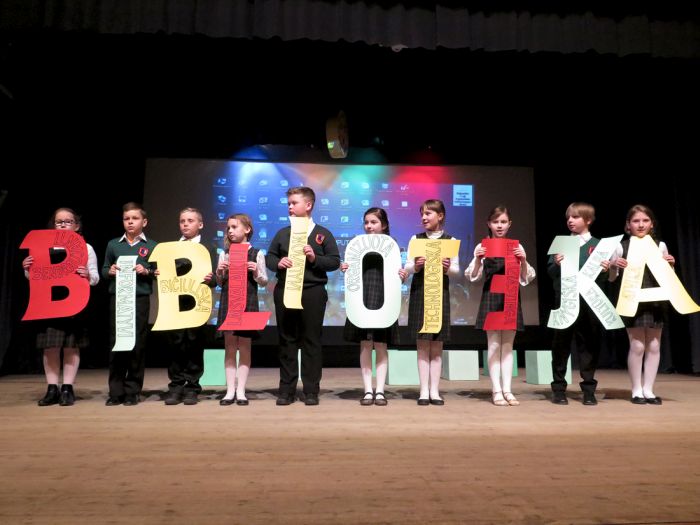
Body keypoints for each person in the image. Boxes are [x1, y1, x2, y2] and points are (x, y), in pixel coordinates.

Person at [266, 186, 340, 406]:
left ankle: (310, 390)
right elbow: (269, 257)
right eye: (288, 203)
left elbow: (334, 261)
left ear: (308, 205)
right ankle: (286, 390)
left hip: (313, 292)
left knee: (311, 341)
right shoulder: (283, 233)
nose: (289, 207)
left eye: (294, 203)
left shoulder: (322, 234)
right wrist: (278, 262)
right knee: (287, 340)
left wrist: (315, 258)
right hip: (286, 290)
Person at [22, 208, 100, 406]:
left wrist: (87, 275)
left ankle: (67, 388)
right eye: (59, 222)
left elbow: (95, 278)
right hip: (49, 303)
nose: (63, 224)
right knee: (50, 347)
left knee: (71, 346)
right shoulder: (44, 247)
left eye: (68, 221)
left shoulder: (86, 248)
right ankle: (52, 389)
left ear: (77, 226)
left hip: (74, 304)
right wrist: (27, 268)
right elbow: (33, 278)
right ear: (53, 225)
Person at [465, 205, 536, 406]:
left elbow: (527, 277)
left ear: (509, 224)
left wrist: (523, 260)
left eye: (503, 222)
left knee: (507, 346)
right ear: (489, 224)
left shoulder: (516, 246)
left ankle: (508, 390)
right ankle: (496, 390)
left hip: (510, 297)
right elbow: (472, 276)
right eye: (495, 222)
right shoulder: (483, 246)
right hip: (492, 297)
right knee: (494, 345)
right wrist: (478, 258)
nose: (499, 225)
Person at [341, 208, 406, 406]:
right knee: (365, 344)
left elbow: (398, 274)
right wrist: (346, 268)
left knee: (381, 345)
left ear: (383, 225)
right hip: (362, 296)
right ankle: (368, 390)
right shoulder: (357, 245)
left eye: (374, 222)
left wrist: (403, 275)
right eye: (366, 222)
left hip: (383, 296)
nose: (369, 226)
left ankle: (380, 391)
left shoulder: (392, 246)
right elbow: (352, 273)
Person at [610, 204, 674, 405]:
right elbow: (612, 278)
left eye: (645, 220)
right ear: (628, 224)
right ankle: (636, 390)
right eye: (636, 221)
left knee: (654, 345)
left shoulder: (660, 245)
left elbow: (668, 278)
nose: (641, 224)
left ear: (652, 224)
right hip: (632, 299)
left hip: (655, 299)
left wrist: (670, 265)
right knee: (637, 346)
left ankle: (649, 390)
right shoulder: (622, 246)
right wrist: (614, 265)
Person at [548, 202, 610, 406]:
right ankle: (559, 389)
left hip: (588, 302)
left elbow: (603, 279)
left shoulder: (599, 245)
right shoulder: (561, 242)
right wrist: (556, 264)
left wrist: (605, 270)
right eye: (568, 217)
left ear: (588, 220)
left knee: (589, 345)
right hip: (565, 300)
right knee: (560, 346)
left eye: (575, 217)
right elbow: (550, 273)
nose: (570, 220)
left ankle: (589, 390)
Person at [405, 199, 460, 406]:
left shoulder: (450, 240)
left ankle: (435, 391)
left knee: (437, 345)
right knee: (422, 344)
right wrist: (416, 266)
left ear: (440, 215)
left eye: (428, 213)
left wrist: (447, 268)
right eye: (422, 213)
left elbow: (456, 271)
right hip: (420, 292)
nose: (424, 217)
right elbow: (407, 267)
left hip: (439, 294)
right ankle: (423, 391)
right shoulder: (416, 239)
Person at [102, 202, 157, 406]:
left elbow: (159, 272)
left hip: (139, 299)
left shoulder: (152, 246)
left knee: (137, 344)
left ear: (144, 222)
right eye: (127, 219)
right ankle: (116, 391)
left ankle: (133, 390)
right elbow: (104, 269)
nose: (130, 222)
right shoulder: (113, 244)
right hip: (118, 298)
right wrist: (110, 271)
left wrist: (147, 271)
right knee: (117, 343)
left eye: (135, 218)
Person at [163, 208, 216, 406]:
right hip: (175, 302)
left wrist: (211, 279)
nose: (185, 224)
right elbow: (166, 273)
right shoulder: (171, 248)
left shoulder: (208, 248)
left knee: (194, 343)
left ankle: (192, 387)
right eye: (182, 221)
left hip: (197, 302)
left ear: (200, 224)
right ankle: (176, 386)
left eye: (190, 221)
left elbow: (215, 279)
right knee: (176, 343)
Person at [216, 213, 268, 406]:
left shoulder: (256, 253)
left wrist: (256, 271)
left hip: (248, 301)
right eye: (228, 228)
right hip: (229, 302)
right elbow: (219, 282)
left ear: (247, 229)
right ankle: (230, 391)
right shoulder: (225, 253)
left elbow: (263, 281)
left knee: (245, 346)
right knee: (229, 347)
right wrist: (220, 271)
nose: (230, 231)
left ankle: (241, 391)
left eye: (234, 227)